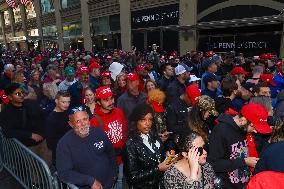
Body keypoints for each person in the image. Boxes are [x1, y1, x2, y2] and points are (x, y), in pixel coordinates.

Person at [208, 103, 272, 189]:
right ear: (243, 120)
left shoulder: (244, 130)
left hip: (244, 183)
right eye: (253, 127)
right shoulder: (220, 131)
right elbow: (214, 164)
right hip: (226, 185)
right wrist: (244, 162)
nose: (255, 131)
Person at [56, 106, 117, 189]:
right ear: (71, 124)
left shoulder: (99, 132)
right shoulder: (64, 144)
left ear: (89, 120)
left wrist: (114, 172)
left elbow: (111, 153)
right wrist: (90, 181)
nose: (83, 123)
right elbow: (64, 173)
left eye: (85, 119)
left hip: (109, 184)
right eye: (78, 121)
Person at [122, 103, 170, 189]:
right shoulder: (130, 145)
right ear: (136, 121)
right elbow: (132, 177)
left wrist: (166, 156)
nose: (147, 123)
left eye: (150, 120)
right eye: (143, 120)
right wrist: (157, 169)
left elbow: (158, 158)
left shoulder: (154, 135)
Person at [90, 86, 127, 189]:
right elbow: (93, 146)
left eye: (111, 98)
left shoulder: (119, 112)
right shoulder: (94, 121)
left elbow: (124, 132)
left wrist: (123, 147)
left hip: (120, 160)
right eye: (106, 100)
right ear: (98, 102)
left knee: (119, 180)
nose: (110, 102)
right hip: (106, 163)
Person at [45, 91, 71, 166]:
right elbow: (50, 144)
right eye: (63, 102)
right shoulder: (51, 119)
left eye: (68, 102)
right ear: (56, 101)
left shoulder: (67, 112)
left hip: (70, 153)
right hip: (60, 156)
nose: (66, 104)